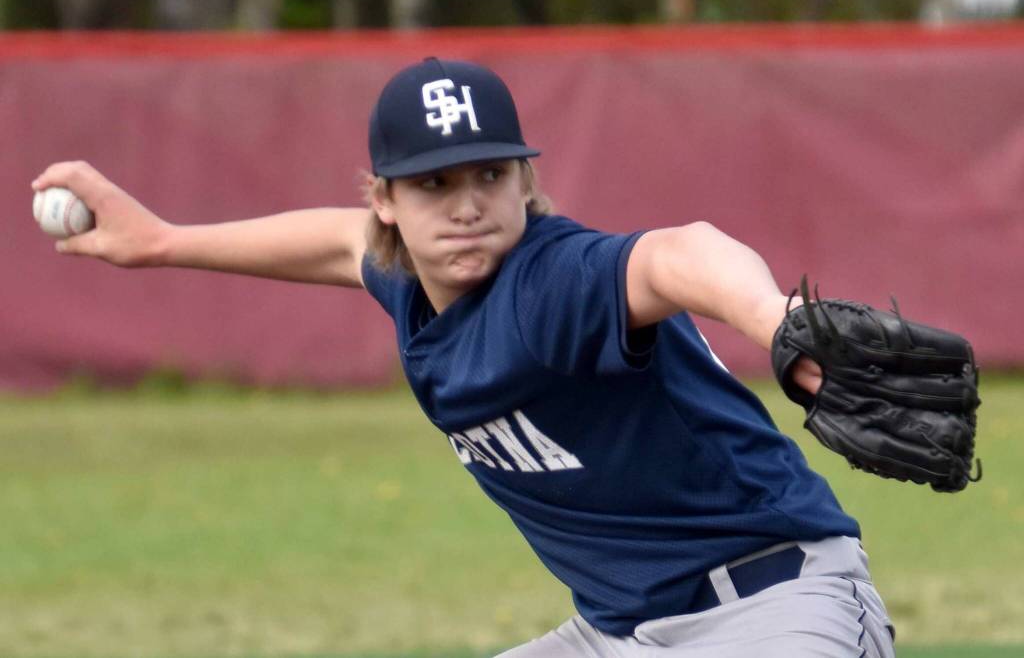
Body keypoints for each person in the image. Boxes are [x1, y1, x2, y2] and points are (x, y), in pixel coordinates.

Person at [33, 57, 896, 657]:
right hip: (622, 633)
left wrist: (777, 319)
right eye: (434, 184)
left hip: (775, 612)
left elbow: (681, 254)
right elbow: (333, 244)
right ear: (386, 202)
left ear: (526, 181)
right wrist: (161, 241)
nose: (467, 206)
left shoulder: (552, 283)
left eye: (489, 175)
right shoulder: (404, 276)